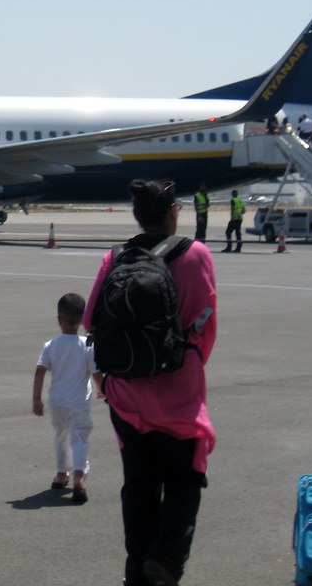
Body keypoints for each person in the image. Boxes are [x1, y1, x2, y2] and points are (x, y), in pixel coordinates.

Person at [84, 179, 217, 586]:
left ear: (138, 215)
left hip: (127, 395)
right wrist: (189, 363)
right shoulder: (196, 254)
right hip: (178, 395)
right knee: (184, 482)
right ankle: (165, 559)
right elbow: (205, 321)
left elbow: (92, 320)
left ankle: (137, 572)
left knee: (139, 486)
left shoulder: (116, 256)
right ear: (173, 212)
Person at [32, 292, 103, 504]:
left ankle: (62, 474)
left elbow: (40, 370)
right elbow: (95, 371)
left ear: (59, 320)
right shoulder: (88, 342)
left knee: (61, 437)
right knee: (79, 438)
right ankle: (79, 476)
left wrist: (37, 398)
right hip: (79, 402)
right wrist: (102, 388)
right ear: (82, 320)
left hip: (57, 402)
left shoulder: (51, 344)